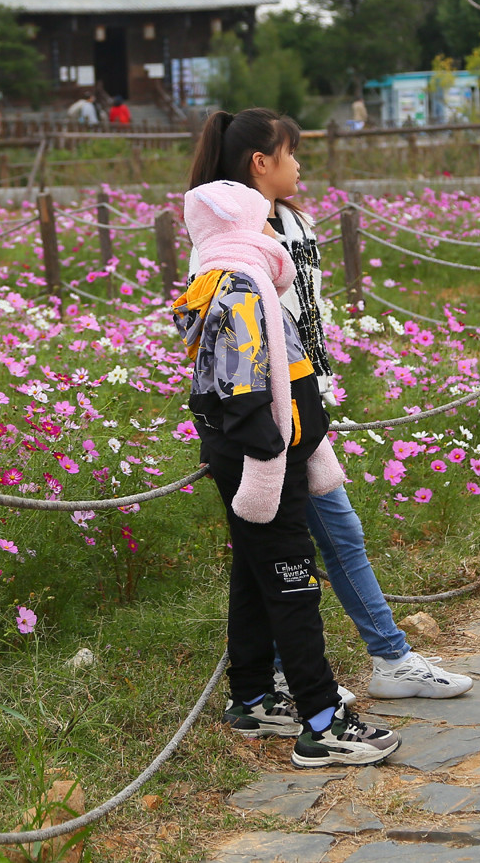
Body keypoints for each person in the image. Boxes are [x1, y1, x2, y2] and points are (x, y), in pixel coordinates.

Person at [187, 108, 474, 701]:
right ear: (260, 163)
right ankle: (381, 660)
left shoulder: (285, 220)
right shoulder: (234, 238)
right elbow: (247, 336)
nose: (300, 164)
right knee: (326, 536)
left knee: (270, 548)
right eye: (290, 153)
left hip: (299, 403)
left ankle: (267, 679)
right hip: (272, 413)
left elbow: (302, 318)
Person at [175, 179, 400, 767]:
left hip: (264, 452)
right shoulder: (242, 289)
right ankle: (321, 722)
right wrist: (273, 458)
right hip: (265, 460)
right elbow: (244, 392)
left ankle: (252, 696)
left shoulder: (227, 282)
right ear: (237, 227)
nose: (274, 231)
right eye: (263, 222)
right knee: (295, 585)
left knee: (255, 575)